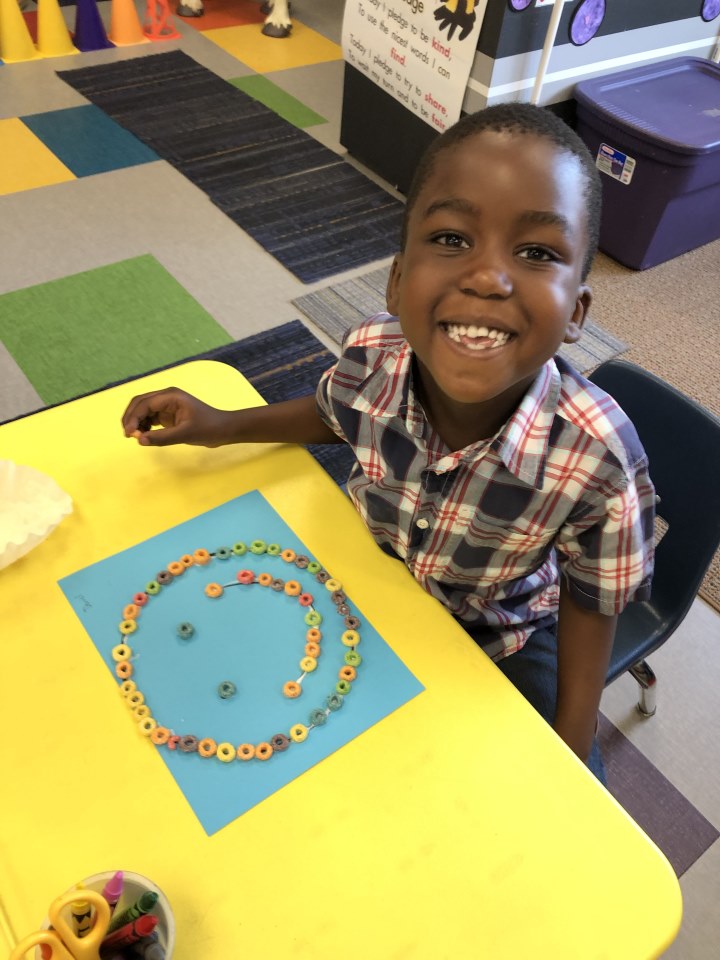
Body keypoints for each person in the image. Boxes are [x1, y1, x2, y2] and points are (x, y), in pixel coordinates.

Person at [122, 102, 656, 782]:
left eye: (536, 253)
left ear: (577, 311)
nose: (488, 277)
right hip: (362, 571)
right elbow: (336, 414)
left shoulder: (599, 456)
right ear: (399, 281)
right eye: (453, 239)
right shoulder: (375, 350)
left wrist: (574, 745)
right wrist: (222, 424)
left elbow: (591, 602)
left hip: (500, 629)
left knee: (553, 806)